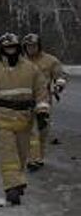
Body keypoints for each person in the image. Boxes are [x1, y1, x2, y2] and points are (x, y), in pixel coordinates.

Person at [0, 33, 49, 205]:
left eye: (13, 48)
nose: (10, 51)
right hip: (3, 119)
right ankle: (11, 188)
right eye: (6, 48)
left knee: (21, 154)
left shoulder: (31, 69)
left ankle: (17, 180)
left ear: (18, 48)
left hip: (25, 119)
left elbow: (41, 91)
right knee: (8, 154)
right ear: (1, 50)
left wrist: (42, 113)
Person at [22, 33, 67, 171]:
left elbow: (60, 75)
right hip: (25, 100)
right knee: (31, 130)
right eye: (28, 46)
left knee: (43, 130)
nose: (31, 48)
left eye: (34, 46)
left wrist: (59, 85)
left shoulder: (50, 61)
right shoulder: (20, 61)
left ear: (39, 45)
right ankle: (32, 159)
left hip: (44, 99)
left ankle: (39, 157)